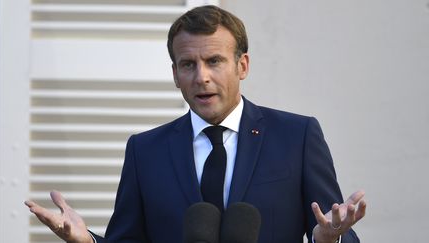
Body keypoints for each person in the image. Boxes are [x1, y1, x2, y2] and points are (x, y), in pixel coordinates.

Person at [25, 5, 366, 243]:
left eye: (214, 61)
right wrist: (87, 242)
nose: (201, 77)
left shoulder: (297, 136)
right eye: (188, 64)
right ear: (175, 74)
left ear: (242, 66)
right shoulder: (145, 150)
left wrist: (326, 239)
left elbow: (336, 229)